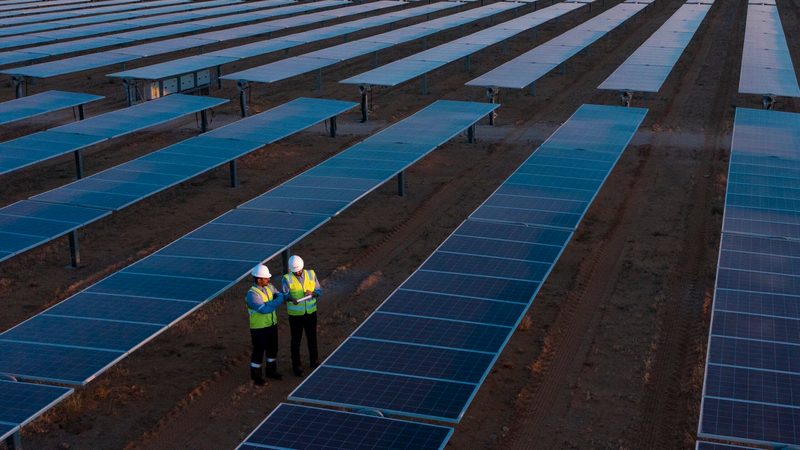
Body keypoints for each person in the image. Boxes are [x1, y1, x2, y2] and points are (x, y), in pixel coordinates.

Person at [281, 255, 322, 377]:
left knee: (312, 338)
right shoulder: (286, 279)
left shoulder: (311, 274)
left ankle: (314, 361)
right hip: (295, 316)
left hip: (310, 313)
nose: (297, 272)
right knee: (296, 341)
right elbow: (284, 295)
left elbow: (319, 291)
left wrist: (313, 293)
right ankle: (296, 366)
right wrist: (290, 298)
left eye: (298, 270)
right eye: (295, 271)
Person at [246, 264, 285, 386]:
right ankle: (256, 377)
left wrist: (274, 302)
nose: (268, 279)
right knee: (258, 351)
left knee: (273, 349)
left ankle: (271, 371)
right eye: (266, 278)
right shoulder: (252, 294)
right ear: (259, 279)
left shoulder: (269, 287)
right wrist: (278, 301)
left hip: (271, 325)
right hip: (259, 328)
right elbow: (264, 309)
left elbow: (279, 295)